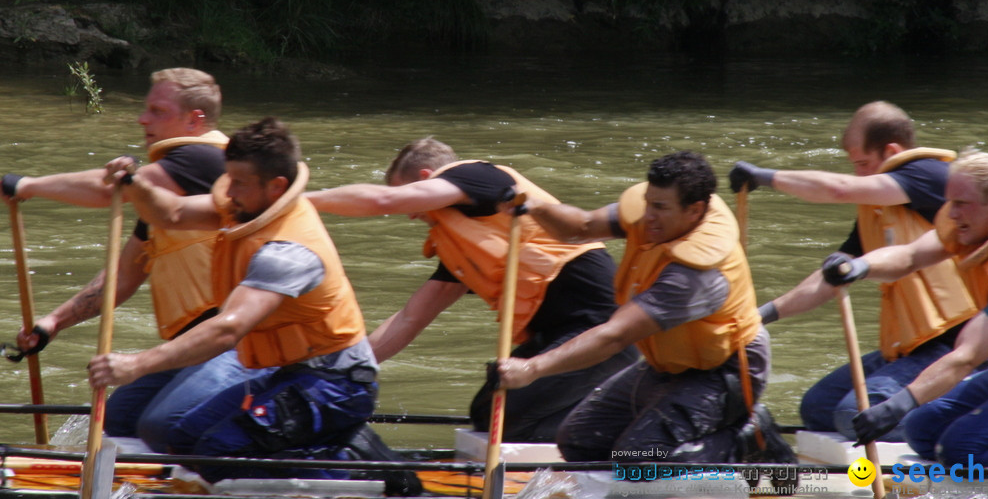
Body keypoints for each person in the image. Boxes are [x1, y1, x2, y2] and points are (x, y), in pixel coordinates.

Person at [94, 117, 381, 482]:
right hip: (290, 372)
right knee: (182, 438)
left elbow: (228, 330)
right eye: (229, 180)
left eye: (240, 184)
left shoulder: (289, 252)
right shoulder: (246, 207)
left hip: (338, 385)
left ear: (276, 187)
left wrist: (137, 365)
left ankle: (359, 466)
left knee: (218, 451)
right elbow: (172, 212)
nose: (229, 193)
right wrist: (134, 183)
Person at [305, 137, 638, 442]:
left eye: (410, 203)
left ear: (427, 177)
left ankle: (623, 445)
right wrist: (340, 369)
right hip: (559, 333)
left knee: (508, 420)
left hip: (604, 328)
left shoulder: (478, 177)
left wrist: (301, 202)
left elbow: (384, 199)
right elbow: (410, 318)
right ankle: (590, 435)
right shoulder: (464, 243)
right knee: (486, 413)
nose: (408, 216)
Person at [5, 68, 269, 451]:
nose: (143, 119)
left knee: (159, 424)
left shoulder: (205, 159)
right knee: (119, 422)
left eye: (157, 111)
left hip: (234, 340)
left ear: (194, 120)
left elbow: (107, 190)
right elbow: (124, 274)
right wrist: (53, 322)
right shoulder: (162, 195)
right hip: (191, 343)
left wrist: (26, 185)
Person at [496, 150, 793, 468]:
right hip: (669, 362)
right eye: (649, 202)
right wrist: (536, 207)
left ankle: (748, 438)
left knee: (637, 459)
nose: (647, 215)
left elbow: (614, 337)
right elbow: (580, 227)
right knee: (579, 442)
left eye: (660, 208)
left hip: (726, 371)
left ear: (695, 211)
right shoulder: (656, 217)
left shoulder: (693, 275)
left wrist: (531, 369)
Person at [727, 101, 978, 441]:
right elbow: (826, 282)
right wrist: (758, 318)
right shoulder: (881, 211)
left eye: (863, 164)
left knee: (852, 415)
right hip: (910, 346)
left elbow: (838, 189)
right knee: (817, 408)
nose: (859, 174)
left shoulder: (929, 175)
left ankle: (971, 411)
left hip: (960, 349)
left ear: (891, 150)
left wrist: (766, 177)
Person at [822, 150, 988, 465]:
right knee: (921, 430)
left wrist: (895, 405)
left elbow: (965, 357)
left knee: (961, 451)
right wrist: (856, 266)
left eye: (961, 203)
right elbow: (909, 256)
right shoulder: (975, 224)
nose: (951, 213)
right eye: (950, 201)